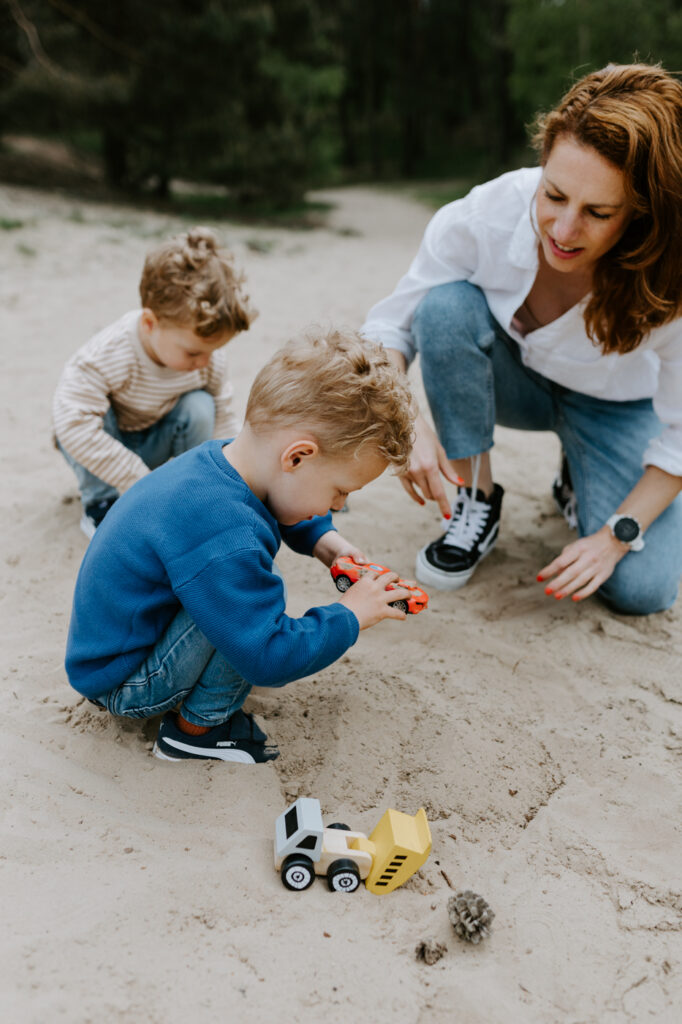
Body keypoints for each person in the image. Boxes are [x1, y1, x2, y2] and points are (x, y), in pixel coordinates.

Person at [361, 63, 682, 615]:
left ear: (640, 215)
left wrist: (614, 537)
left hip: (615, 408)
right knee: (444, 308)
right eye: (554, 195)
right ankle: (476, 498)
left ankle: (577, 479)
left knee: (642, 589)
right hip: (513, 381)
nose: (562, 230)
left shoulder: (671, 278)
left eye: (597, 213)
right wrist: (404, 418)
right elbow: (391, 325)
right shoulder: (489, 211)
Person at [64, 329, 416, 763]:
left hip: (112, 649)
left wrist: (326, 541)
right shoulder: (225, 535)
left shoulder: (224, 463)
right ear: (298, 456)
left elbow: (273, 501)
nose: (339, 505)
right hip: (124, 682)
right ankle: (197, 729)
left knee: (240, 590)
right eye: (340, 489)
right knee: (253, 606)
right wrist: (351, 615)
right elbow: (268, 656)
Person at [53, 227, 253, 537]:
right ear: (149, 323)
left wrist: (229, 479)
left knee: (202, 405)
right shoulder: (111, 353)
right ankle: (100, 504)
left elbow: (224, 419)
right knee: (84, 414)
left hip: (155, 437)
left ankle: (194, 491)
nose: (205, 361)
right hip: (102, 444)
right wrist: (139, 480)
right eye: (193, 352)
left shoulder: (208, 358)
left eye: (213, 350)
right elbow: (72, 424)